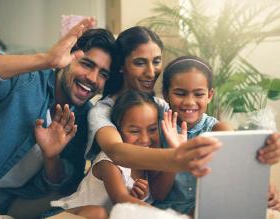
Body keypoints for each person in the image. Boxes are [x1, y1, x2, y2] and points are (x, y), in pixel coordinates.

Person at [0, 17, 117, 219]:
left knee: (96, 213)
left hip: (20, 199)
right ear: (67, 58)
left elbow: (64, 183)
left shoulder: (84, 114)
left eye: (103, 74)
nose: (93, 79)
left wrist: (52, 157)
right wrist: (45, 60)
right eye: (87, 64)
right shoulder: (27, 81)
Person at [86, 26, 222, 179]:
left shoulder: (161, 106)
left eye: (156, 61)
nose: (151, 73)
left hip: (150, 195)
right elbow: (116, 151)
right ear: (121, 66)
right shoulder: (102, 111)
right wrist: (177, 158)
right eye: (140, 63)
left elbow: (198, 125)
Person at [152, 55, 280, 215]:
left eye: (198, 94)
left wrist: (265, 191)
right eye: (180, 93)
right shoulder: (156, 130)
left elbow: (240, 179)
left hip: (211, 212)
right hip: (167, 214)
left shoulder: (220, 131)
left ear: (210, 95)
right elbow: (158, 194)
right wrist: (174, 153)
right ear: (166, 94)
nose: (189, 102)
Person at [44, 90, 186, 219]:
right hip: (62, 215)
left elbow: (159, 194)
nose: (145, 139)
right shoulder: (109, 160)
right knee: (97, 213)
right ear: (118, 130)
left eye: (152, 129)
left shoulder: (148, 162)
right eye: (135, 131)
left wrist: (176, 151)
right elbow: (121, 200)